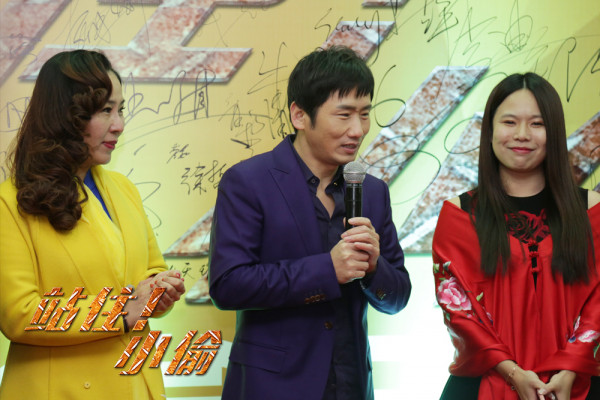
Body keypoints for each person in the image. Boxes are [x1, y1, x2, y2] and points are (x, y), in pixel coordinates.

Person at [208, 46, 411, 400]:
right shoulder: (248, 182)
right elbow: (227, 285)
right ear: (300, 115)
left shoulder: (372, 191)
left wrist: (374, 267)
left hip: (351, 386)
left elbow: (398, 297)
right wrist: (327, 271)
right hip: (272, 389)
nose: (357, 130)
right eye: (343, 115)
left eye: (365, 114)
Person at [0, 50, 186, 400]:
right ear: (66, 115)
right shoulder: (10, 202)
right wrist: (124, 309)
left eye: (120, 109)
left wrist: (159, 291)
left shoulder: (123, 188)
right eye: (105, 110)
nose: (119, 125)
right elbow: (20, 315)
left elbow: (150, 270)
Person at [432, 72, 600, 400]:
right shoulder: (459, 215)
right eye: (509, 122)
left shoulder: (591, 211)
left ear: (554, 133)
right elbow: (460, 312)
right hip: (482, 384)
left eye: (537, 124)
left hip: (577, 385)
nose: (522, 134)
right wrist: (513, 373)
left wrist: (569, 369)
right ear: (490, 130)